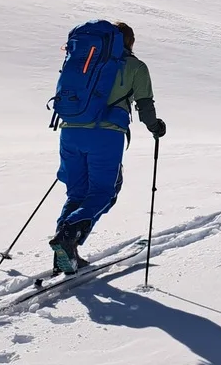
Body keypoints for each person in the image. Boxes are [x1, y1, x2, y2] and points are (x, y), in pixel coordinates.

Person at [50, 22, 165, 274]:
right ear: (130, 42)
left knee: (77, 193)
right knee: (104, 192)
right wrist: (156, 127)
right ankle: (68, 234)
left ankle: (66, 248)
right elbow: (145, 105)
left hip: (69, 130)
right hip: (105, 134)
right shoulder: (135, 66)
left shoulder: (83, 63)